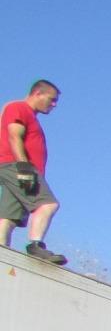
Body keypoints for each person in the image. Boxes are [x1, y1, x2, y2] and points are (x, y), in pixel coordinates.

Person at [0, 79, 67, 265]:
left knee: (9, 217)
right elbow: (14, 134)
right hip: (17, 167)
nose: (53, 105)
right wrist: (23, 167)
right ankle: (35, 246)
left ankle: (2, 254)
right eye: (51, 99)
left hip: (14, 168)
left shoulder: (30, 116)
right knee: (48, 205)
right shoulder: (18, 108)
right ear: (37, 93)